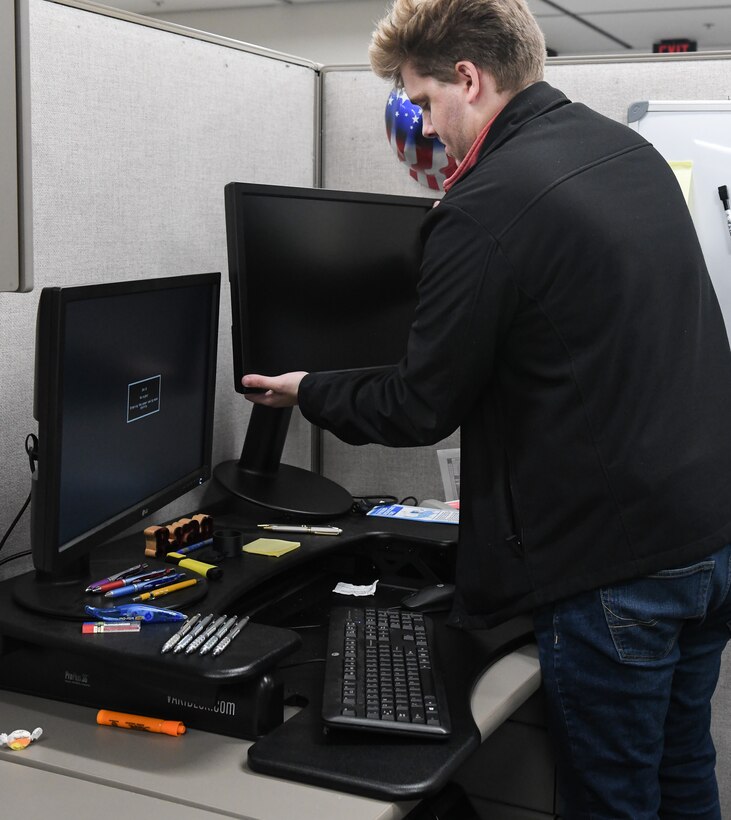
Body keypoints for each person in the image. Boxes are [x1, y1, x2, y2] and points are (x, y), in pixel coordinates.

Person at [243, 0, 731, 816]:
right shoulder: (621, 148)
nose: (429, 129)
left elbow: (416, 407)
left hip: (612, 568)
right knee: (681, 766)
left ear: (467, 78)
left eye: (425, 102)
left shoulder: (489, 202)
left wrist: (307, 388)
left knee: (610, 801)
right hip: (706, 535)